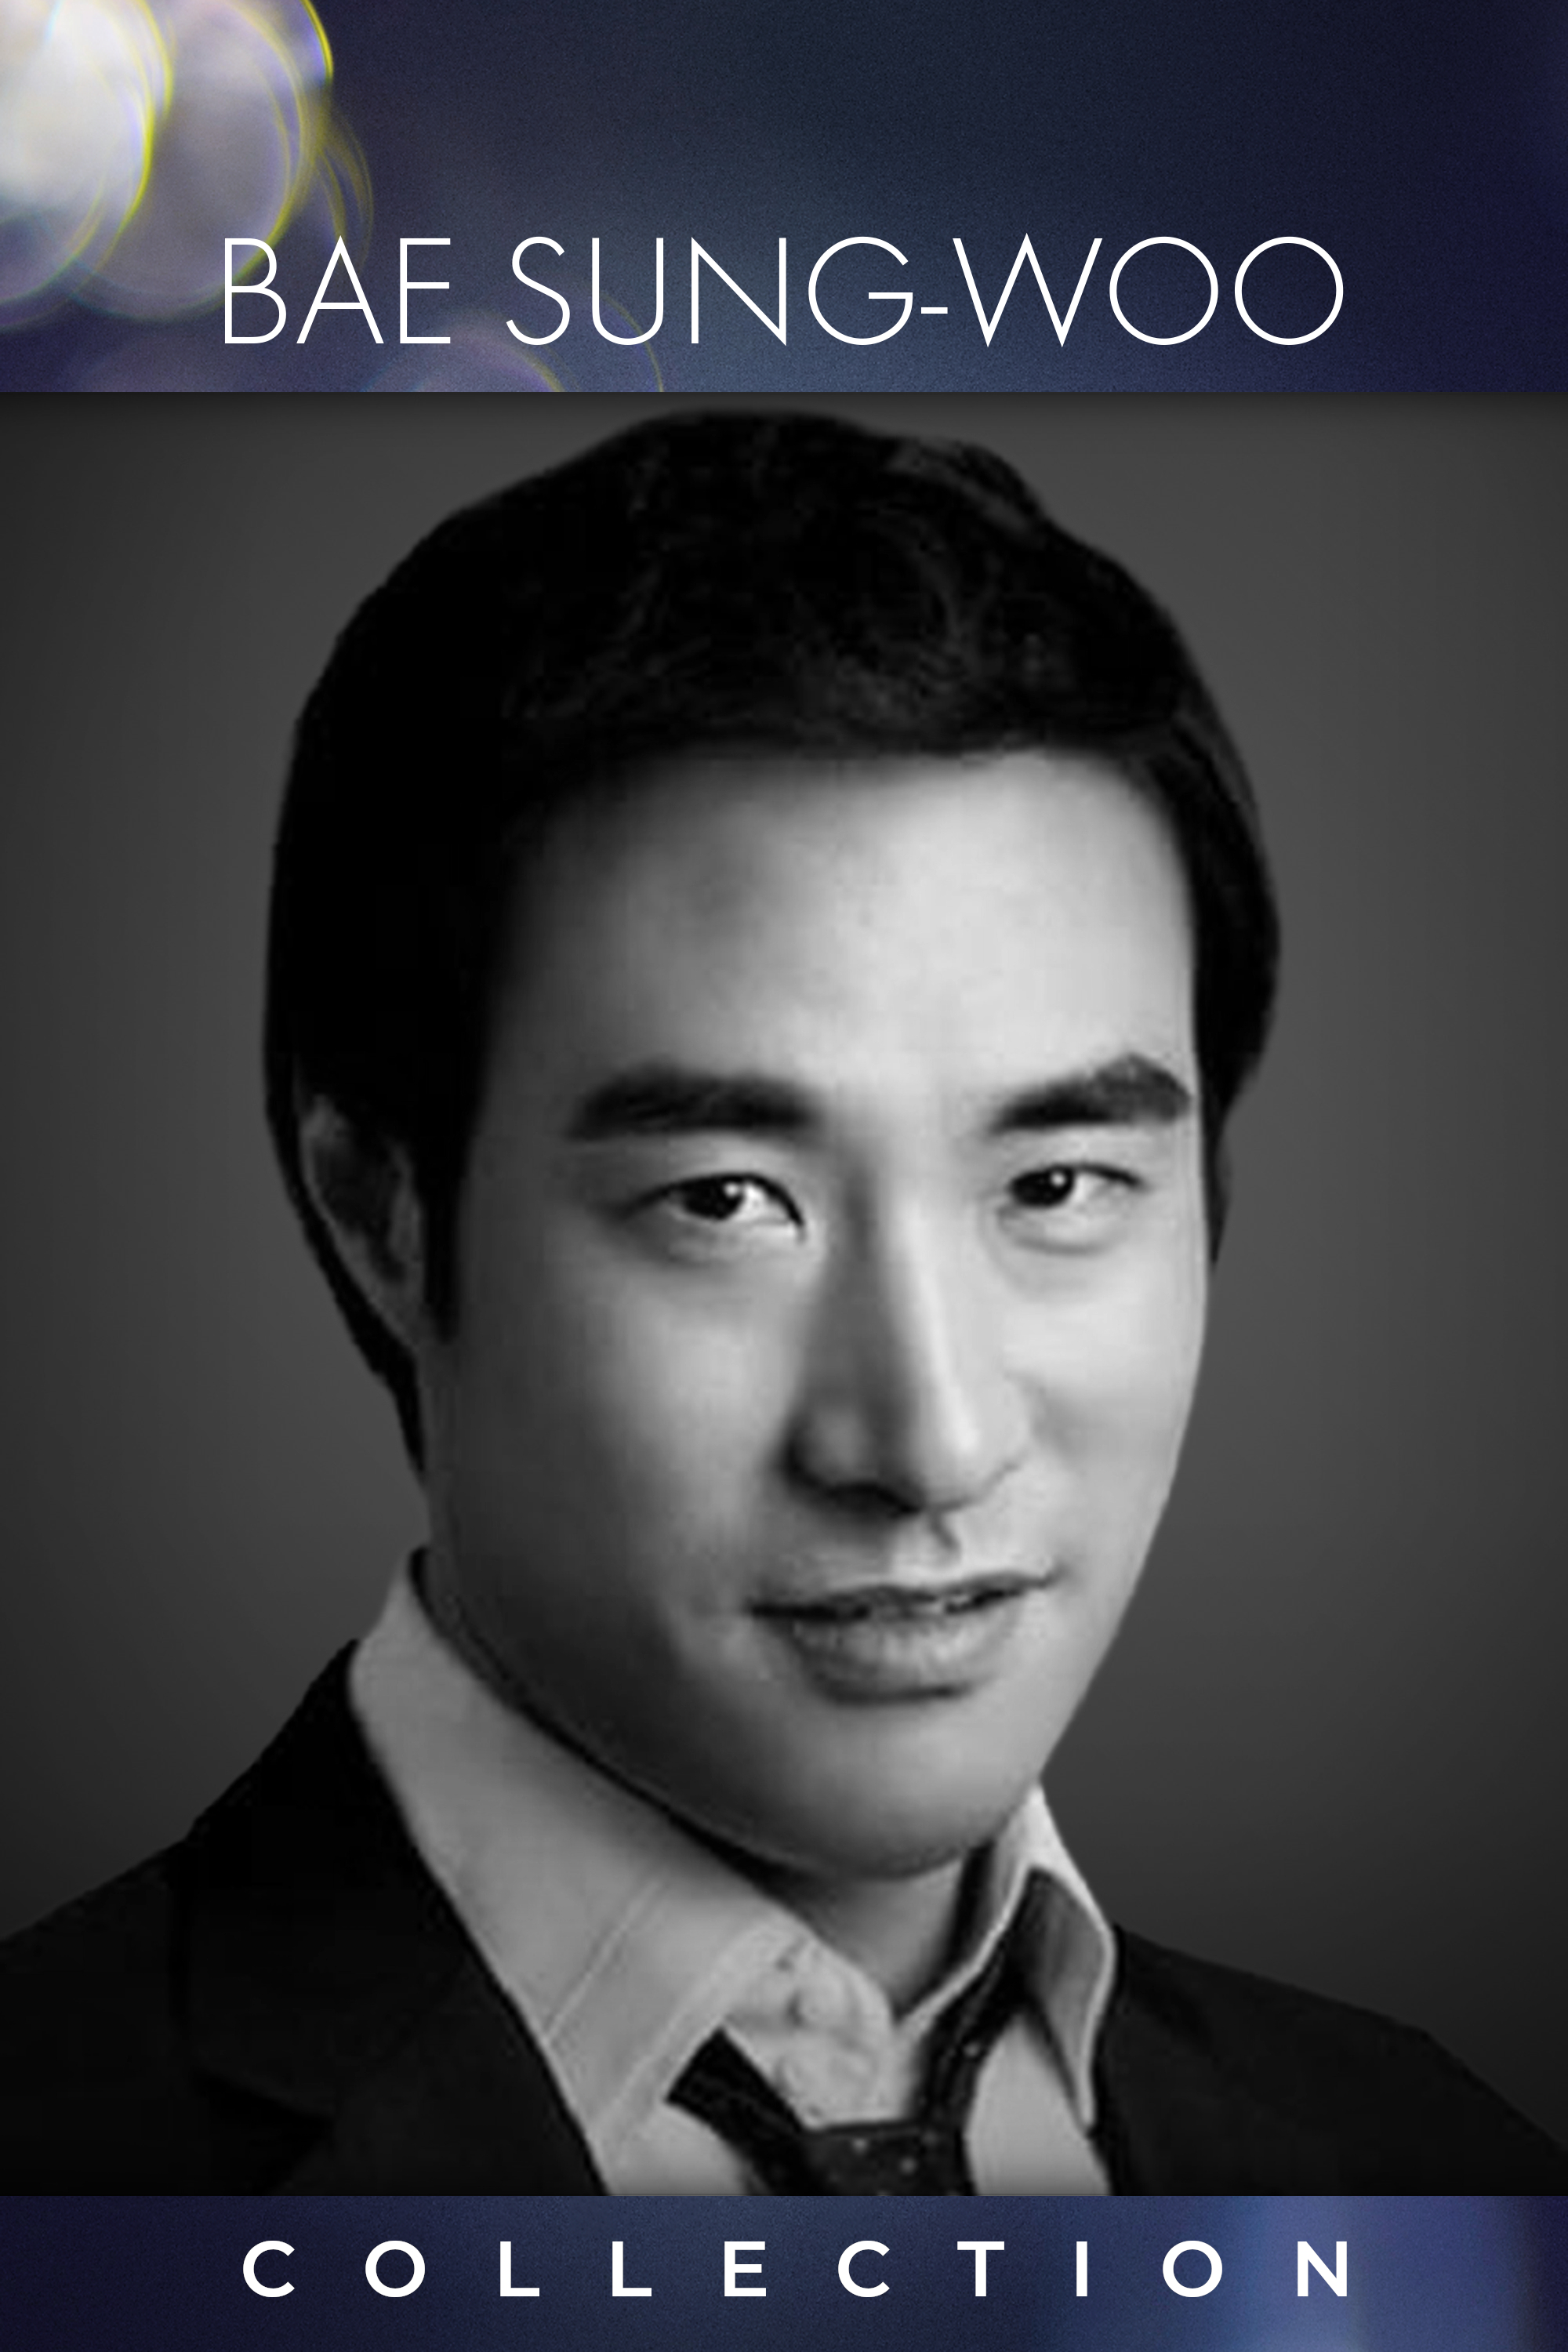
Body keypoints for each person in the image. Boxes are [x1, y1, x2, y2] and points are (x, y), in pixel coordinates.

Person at [0, 411, 1559, 2194]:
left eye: (1055, 1186)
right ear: (380, 1215)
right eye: (726, 1201)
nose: (931, 1441)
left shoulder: (1439, 2173)